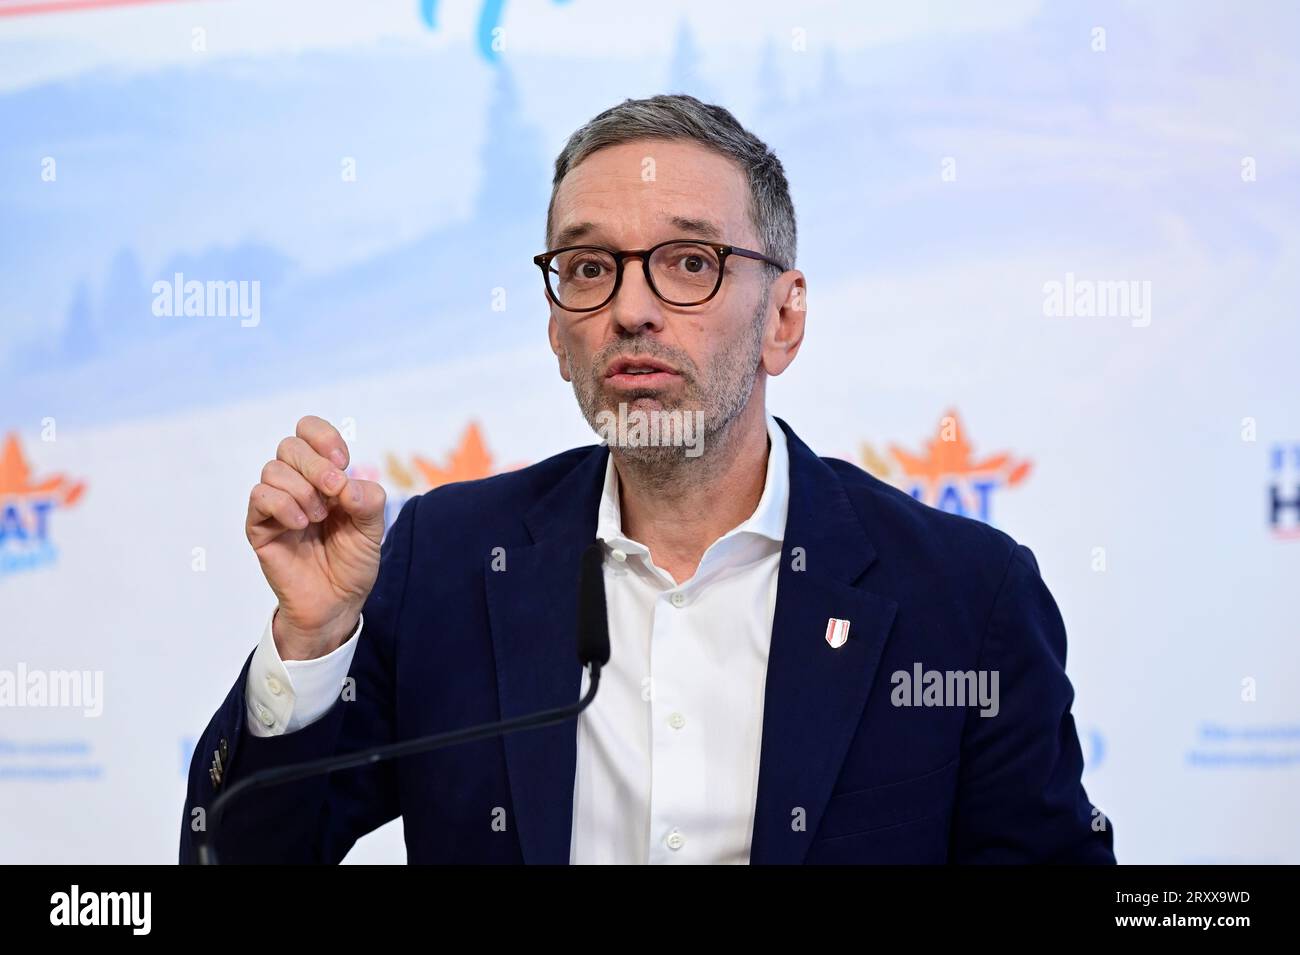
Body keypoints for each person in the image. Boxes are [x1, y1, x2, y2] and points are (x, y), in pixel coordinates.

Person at [180, 94, 1115, 864]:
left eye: (688, 263)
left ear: (784, 319)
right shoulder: (447, 562)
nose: (630, 308)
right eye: (589, 268)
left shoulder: (962, 596)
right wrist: (311, 641)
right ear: (557, 332)